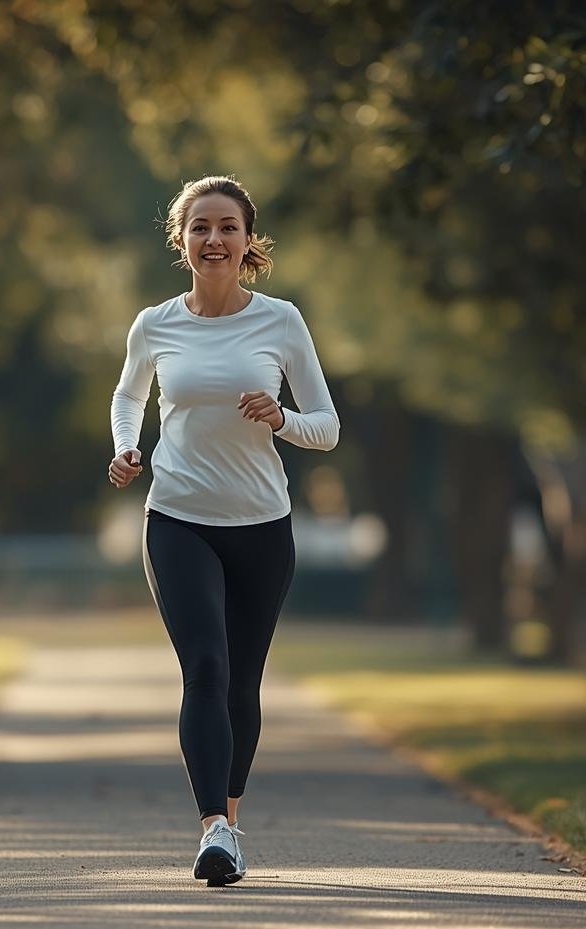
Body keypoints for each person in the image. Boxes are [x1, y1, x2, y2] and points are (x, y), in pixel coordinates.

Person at [107, 175, 341, 886]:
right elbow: (128, 394)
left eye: (228, 227)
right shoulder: (155, 323)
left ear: (248, 242)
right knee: (204, 668)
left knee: (242, 680)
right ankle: (212, 827)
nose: (214, 239)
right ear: (181, 240)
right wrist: (126, 446)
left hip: (262, 525)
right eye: (201, 227)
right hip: (177, 518)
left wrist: (282, 419)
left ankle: (230, 824)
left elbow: (326, 428)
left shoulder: (281, 321)